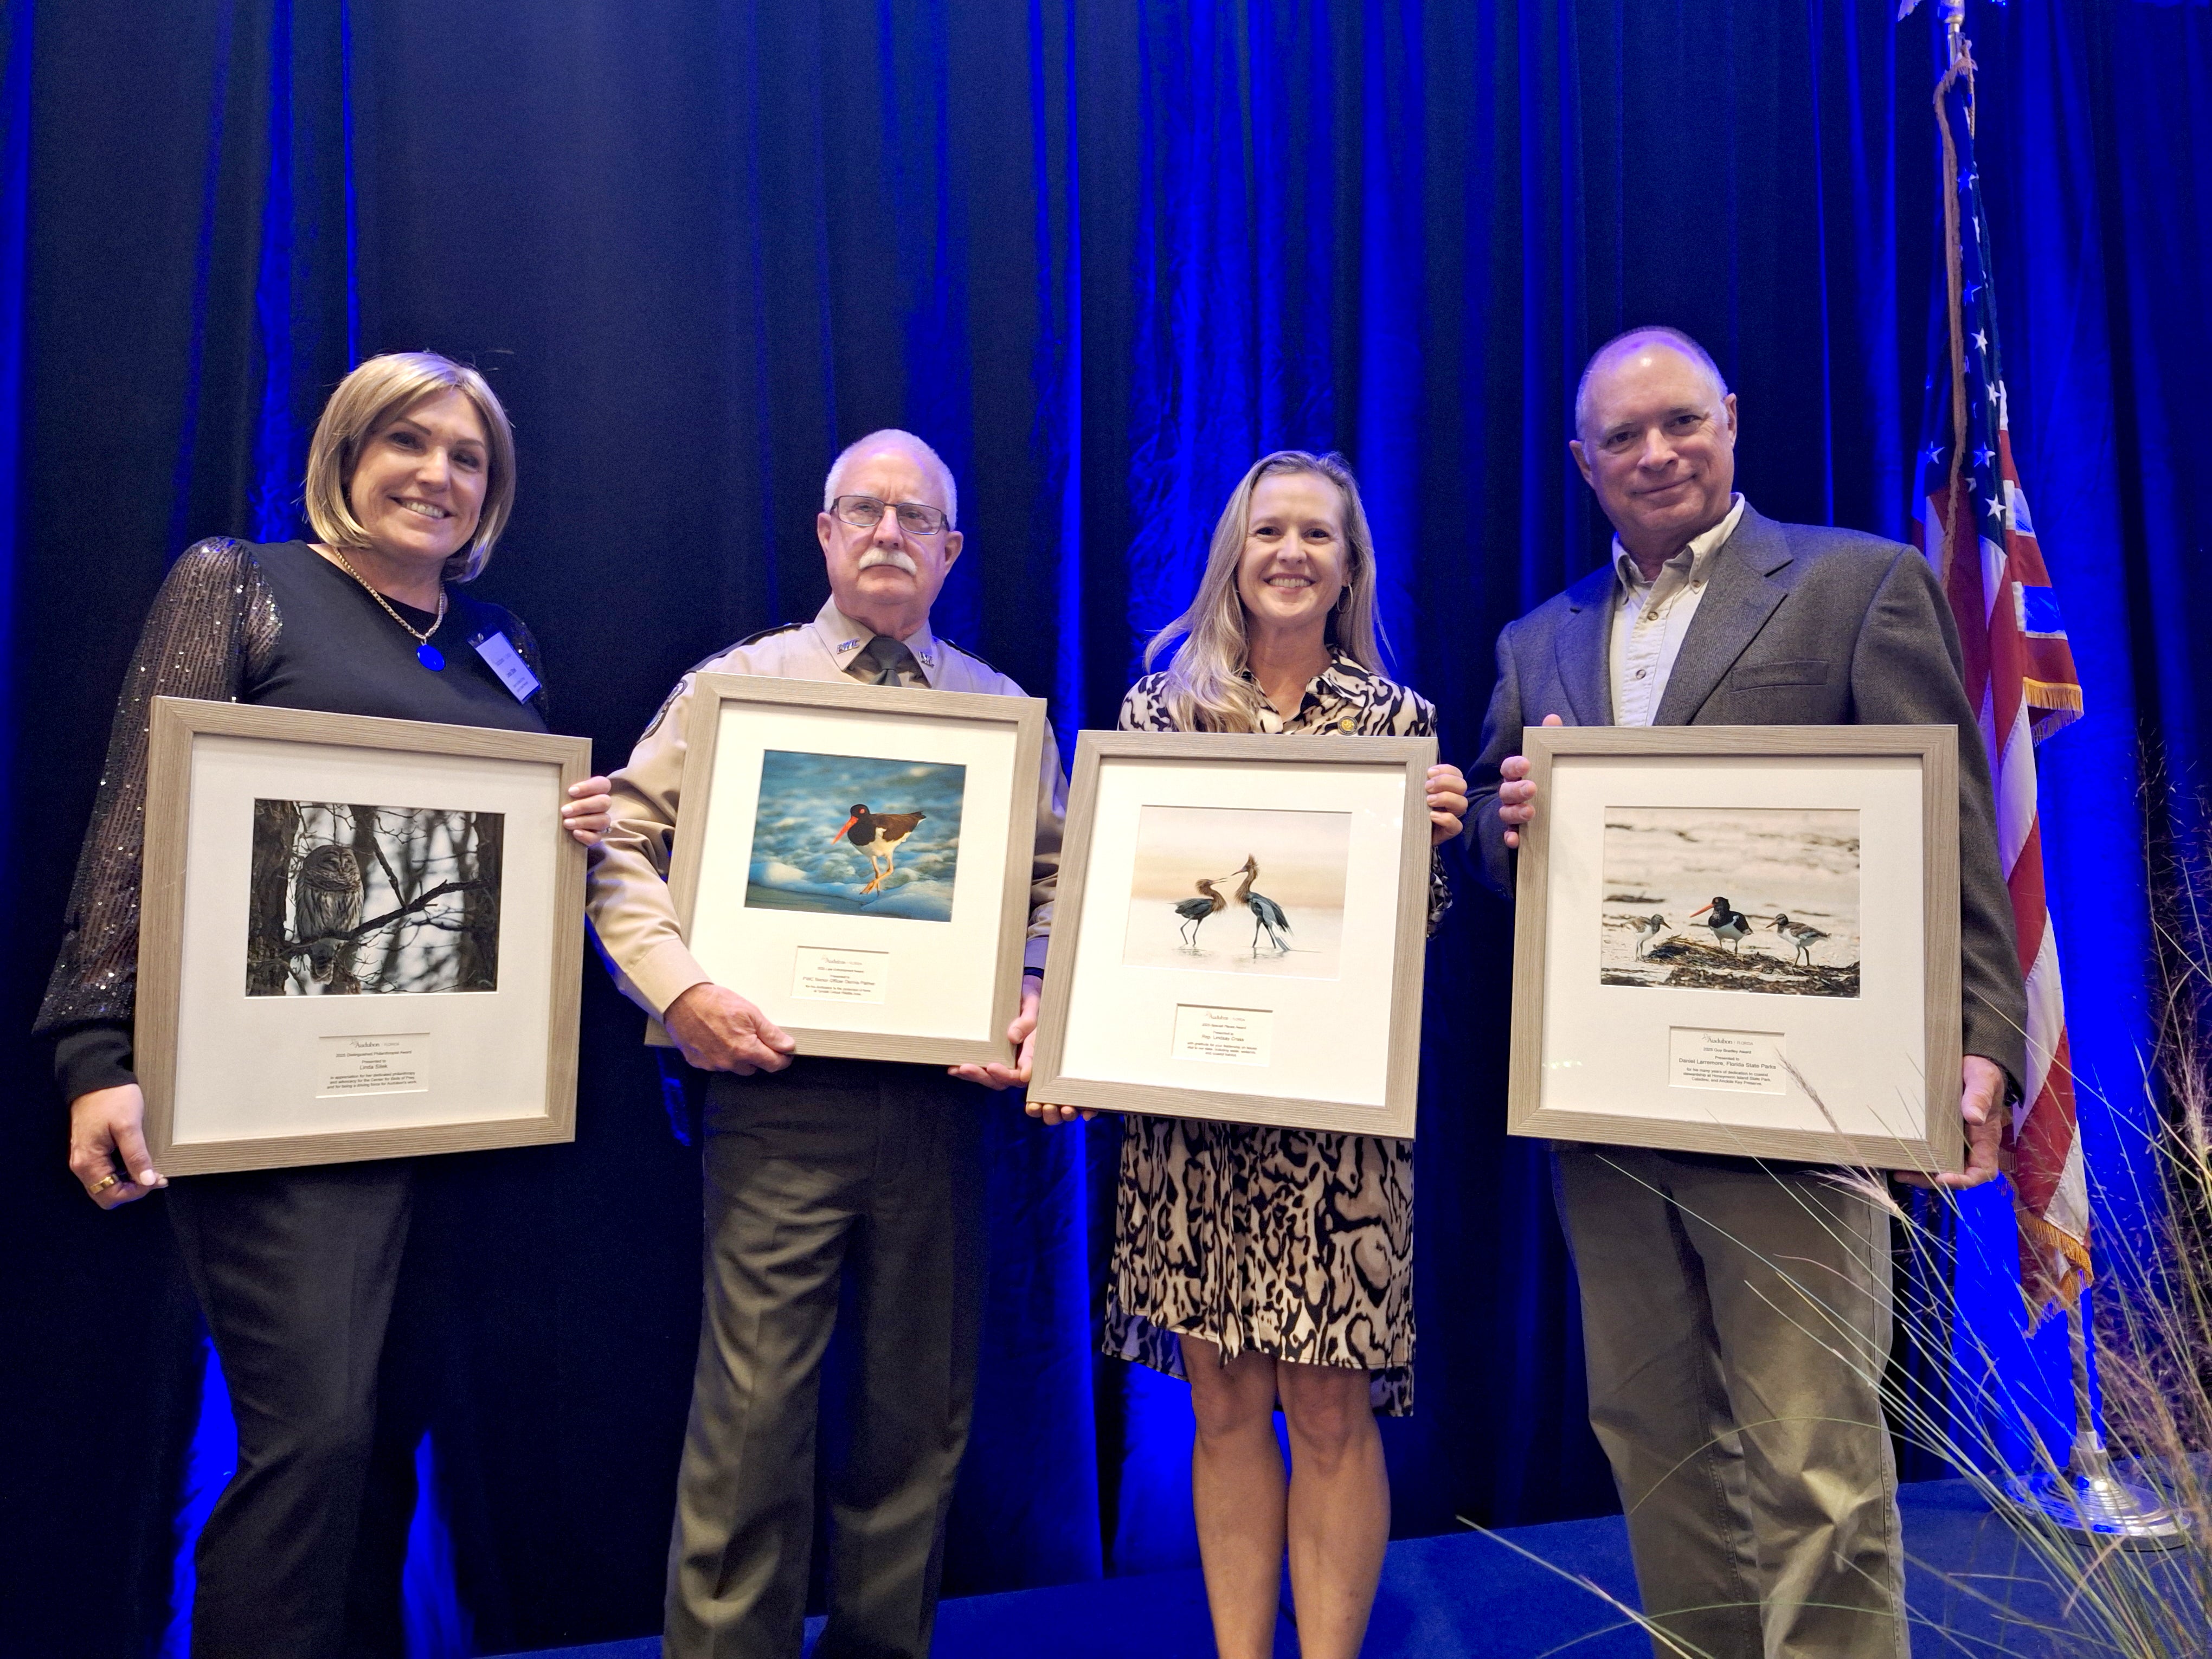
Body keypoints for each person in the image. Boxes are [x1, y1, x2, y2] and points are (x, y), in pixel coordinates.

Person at [38, 350, 614, 1656]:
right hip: (272, 1098)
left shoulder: (499, 644)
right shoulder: (242, 584)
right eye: (408, 442)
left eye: (469, 458)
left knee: (388, 1444)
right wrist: (92, 1052)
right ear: (346, 456)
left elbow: (495, 870)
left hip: (453, 1108)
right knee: (313, 1440)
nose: (439, 475)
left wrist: (567, 830)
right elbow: (139, 821)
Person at [1466, 326, 2028, 1659]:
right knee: (1654, 1445)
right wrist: (1506, 829)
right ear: (1582, 462)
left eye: (1680, 423)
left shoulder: (1857, 585)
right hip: (1607, 1114)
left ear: (1732, 420)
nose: (1655, 453)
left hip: (1801, 1106)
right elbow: (1506, 859)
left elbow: (1946, 826)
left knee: (1815, 1464)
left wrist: (1986, 1037)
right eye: (1622, 437)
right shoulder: (1537, 640)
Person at [585, 428, 1063, 1658]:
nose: (889, 533)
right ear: (824, 532)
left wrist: (1029, 994)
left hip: (940, 1106)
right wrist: (683, 991)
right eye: (865, 510)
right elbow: (619, 845)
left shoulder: (1000, 714)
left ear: (951, 551)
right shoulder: (735, 690)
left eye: (917, 519)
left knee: (919, 1421)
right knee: (752, 1419)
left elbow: (1057, 884)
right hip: (776, 1095)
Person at [1034, 451, 1467, 1659]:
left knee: (1329, 1404)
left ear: (1348, 567)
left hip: (1335, 1117)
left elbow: (1409, 937)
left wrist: (1431, 845)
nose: (1291, 552)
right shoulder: (1158, 713)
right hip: (1190, 1108)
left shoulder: (1395, 722)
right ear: (1235, 552)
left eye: (1317, 536)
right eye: (1268, 530)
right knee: (1221, 1396)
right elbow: (1108, 911)